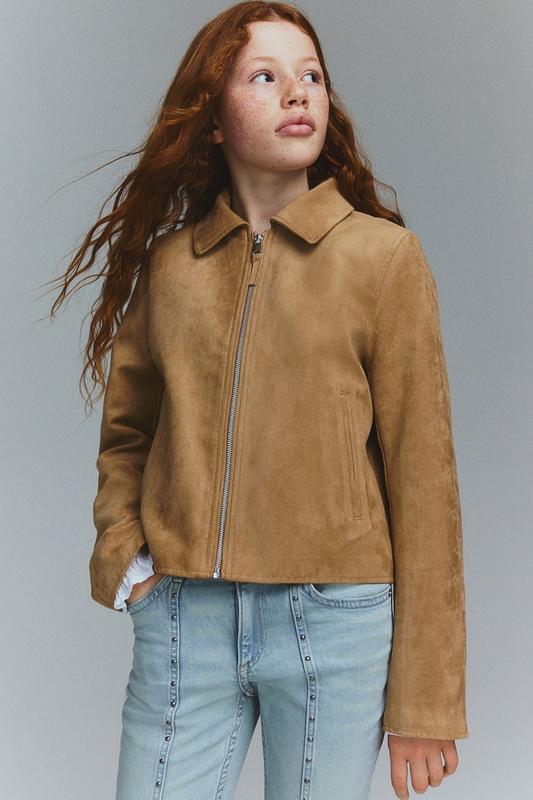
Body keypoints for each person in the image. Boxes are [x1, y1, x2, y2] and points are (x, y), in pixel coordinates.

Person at [49, 3, 468, 798]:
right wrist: (127, 559)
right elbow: (127, 434)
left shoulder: (383, 260)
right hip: (185, 618)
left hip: (333, 625)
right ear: (211, 119)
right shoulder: (171, 268)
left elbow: (425, 483)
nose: (297, 93)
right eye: (264, 77)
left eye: (310, 76)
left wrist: (426, 700)